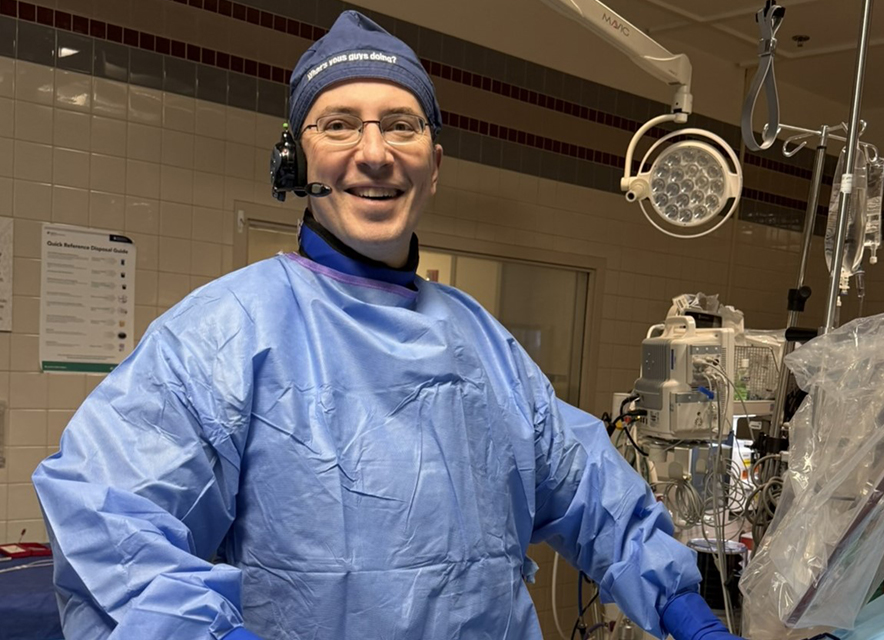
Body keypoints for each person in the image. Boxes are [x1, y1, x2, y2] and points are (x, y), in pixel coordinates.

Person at [33, 11, 743, 640]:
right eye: (338, 124)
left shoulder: (485, 347)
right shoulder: (221, 336)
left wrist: (684, 608)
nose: (374, 153)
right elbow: (108, 526)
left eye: (401, 125)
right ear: (295, 158)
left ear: (433, 166)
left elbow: (591, 493)